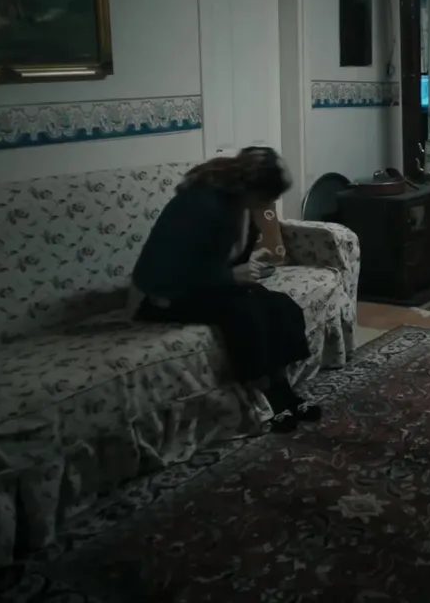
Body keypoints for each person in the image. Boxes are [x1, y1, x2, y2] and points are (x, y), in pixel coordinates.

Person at [130, 146, 320, 433]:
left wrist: (242, 270)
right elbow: (167, 271)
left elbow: (224, 255)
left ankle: (285, 392)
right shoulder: (198, 204)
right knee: (245, 313)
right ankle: (270, 400)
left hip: (206, 285)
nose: (272, 202)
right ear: (251, 188)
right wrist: (229, 276)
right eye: (269, 196)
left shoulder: (238, 203)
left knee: (278, 304)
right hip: (164, 295)